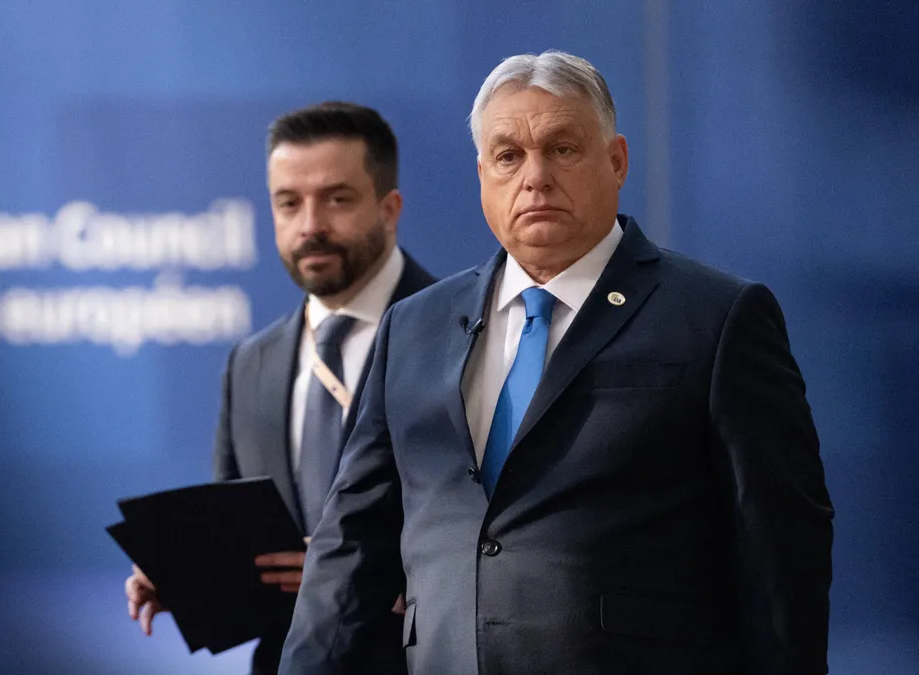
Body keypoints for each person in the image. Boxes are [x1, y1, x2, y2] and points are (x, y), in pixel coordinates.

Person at [278, 51, 834, 675]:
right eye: (508, 156)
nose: (535, 177)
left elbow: (781, 552)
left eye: (563, 149)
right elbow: (351, 547)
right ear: (482, 174)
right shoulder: (414, 326)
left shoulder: (716, 317)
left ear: (616, 161)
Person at [125, 101, 435, 675]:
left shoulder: (459, 334)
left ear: (389, 210)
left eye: (337, 199)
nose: (310, 225)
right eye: (289, 203)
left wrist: (369, 579)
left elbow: (498, 538)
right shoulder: (251, 363)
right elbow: (239, 542)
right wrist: (189, 580)